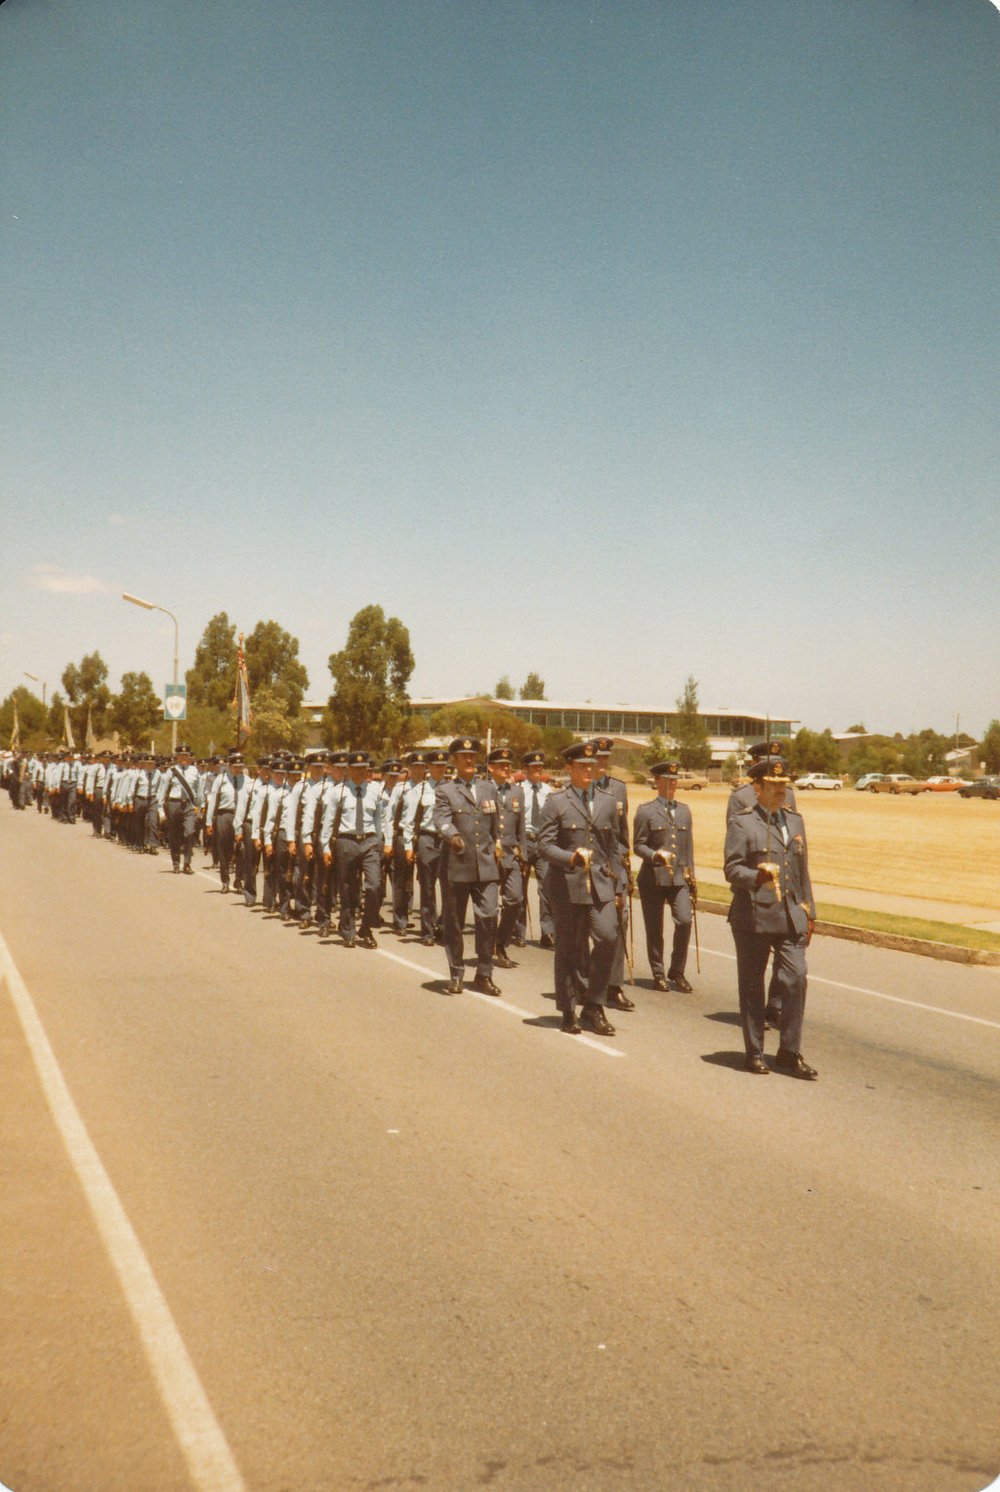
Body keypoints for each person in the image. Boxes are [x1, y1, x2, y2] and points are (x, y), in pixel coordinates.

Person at [724, 752, 817, 1078]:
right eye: (773, 785)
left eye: (783, 784)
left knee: (796, 979)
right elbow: (732, 869)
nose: (781, 790)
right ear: (757, 788)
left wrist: (810, 911)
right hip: (753, 916)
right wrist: (757, 876)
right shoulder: (743, 822)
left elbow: (801, 871)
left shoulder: (795, 820)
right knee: (752, 986)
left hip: (790, 916)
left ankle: (789, 1052)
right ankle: (754, 1051)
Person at [537, 741, 625, 1036]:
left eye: (593, 765)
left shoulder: (607, 800)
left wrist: (619, 884)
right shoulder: (556, 801)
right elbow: (545, 845)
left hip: (600, 884)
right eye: (583, 766)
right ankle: (568, 1009)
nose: (590, 770)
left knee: (608, 936)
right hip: (566, 885)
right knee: (569, 948)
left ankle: (594, 1004)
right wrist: (570, 858)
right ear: (569, 768)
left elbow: (613, 847)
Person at [727, 741, 799, 1028]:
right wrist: (753, 876)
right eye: (769, 761)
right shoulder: (740, 796)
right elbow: (734, 845)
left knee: (791, 966)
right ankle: (756, 1019)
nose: (779, 786)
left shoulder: (789, 794)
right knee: (754, 968)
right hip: (755, 886)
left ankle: (777, 1004)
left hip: (784, 891)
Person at [432, 737, 502, 996]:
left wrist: (499, 844)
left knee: (488, 916)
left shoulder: (489, 789)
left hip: (485, 864)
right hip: (457, 864)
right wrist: (452, 835)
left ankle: (484, 973)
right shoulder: (445, 790)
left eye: (472, 756)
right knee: (454, 923)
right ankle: (456, 973)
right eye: (464, 757)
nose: (470, 760)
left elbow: (495, 824)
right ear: (454, 761)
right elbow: (440, 819)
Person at [633, 761, 696, 993]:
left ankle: (677, 971)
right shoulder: (645, 811)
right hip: (652, 878)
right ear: (656, 782)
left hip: (678, 878)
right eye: (667, 780)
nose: (672, 784)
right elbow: (637, 846)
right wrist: (655, 855)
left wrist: (692, 878)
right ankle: (658, 972)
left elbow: (688, 847)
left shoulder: (684, 811)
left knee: (685, 920)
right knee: (654, 928)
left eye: (675, 780)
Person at [590, 737, 633, 1008]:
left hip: (612, 867)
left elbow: (622, 832)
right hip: (585, 866)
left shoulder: (619, 789)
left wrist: (625, 863)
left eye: (606, 758)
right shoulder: (580, 788)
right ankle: (587, 980)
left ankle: (613, 985)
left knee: (620, 922)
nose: (602, 763)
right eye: (598, 758)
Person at [485, 746, 526, 969]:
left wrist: (524, 854)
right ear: (491, 768)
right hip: (488, 858)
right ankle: (488, 946)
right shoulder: (483, 789)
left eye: (508, 764)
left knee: (515, 900)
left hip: (510, 856)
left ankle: (501, 942)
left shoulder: (517, 792)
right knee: (489, 908)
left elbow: (520, 826)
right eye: (501, 765)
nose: (506, 768)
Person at [517, 749, 554, 948]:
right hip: (524, 841)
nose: (538, 770)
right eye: (534, 768)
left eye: (540, 767)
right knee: (519, 890)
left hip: (542, 843)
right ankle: (518, 931)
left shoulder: (547, 791)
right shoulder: (518, 790)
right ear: (525, 769)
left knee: (546, 889)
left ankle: (548, 932)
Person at [157, 743, 204, 873]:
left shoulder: (195, 771)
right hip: (174, 804)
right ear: (177, 756)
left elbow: (199, 792)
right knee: (174, 834)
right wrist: (161, 811)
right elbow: (162, 791)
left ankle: (187, 863)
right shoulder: (171, 771)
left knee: (189, 833)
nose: (184, 758)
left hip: (189, 805)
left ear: (189, 757)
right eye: (181, 755)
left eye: (186, 755)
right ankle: (176, 862)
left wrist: (199, 808)